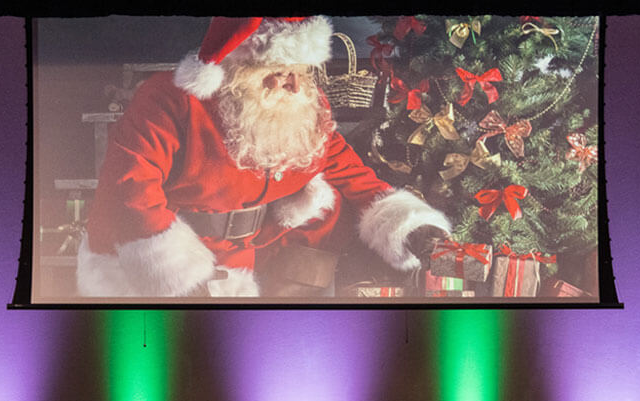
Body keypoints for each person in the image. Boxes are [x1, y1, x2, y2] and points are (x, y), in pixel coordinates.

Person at [78, 17, 450, 299]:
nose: (292, 84)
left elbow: (350, 171)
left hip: (249, 260)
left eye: (299, 72)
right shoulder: (170, 99)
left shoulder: (302, 107)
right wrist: (180, 278)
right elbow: (130, 191)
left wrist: (413, 227)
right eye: (275, 72)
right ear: (237, 71)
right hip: (148, 265)